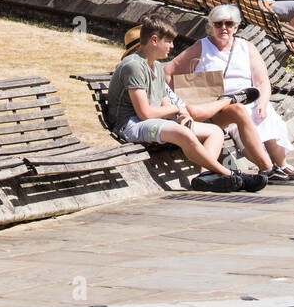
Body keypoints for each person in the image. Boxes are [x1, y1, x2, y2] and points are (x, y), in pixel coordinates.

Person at [106, 14, 266, 193]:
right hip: (130, 125)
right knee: (182, 133)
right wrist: (177, 109)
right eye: (168, 41)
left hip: (152, 121)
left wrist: (180, 115)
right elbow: (144, 114)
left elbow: (164, 104)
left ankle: (207, 177)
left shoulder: (156, 67)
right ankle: (230, 175)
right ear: (154, 40)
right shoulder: (133, 66)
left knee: (214, 131)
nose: (172, 46)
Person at [165, 4, 294, 183]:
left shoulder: (247, 47)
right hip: (215, 108)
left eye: (229, 24)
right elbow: (168, 73)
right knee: (239, 110)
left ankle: (280, 163)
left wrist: (262, 102)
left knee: (265, 113)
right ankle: (268, 168)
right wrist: (180, 102)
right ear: (211, 26)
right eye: (218, 24)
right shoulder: (201, 47)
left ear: (236, 27)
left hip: (249, 99)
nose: (224, 28)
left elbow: (262, 81)